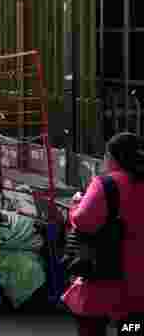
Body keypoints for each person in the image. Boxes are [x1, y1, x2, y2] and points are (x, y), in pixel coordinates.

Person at [62, 132, 143, 336]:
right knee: (132, 328)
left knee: (92, 328)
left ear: (112, 157)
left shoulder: (107, 184)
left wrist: (76, 204)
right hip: (138, 285)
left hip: (105, 276)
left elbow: (83, 221)